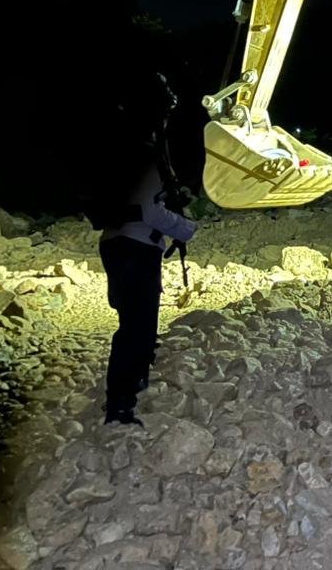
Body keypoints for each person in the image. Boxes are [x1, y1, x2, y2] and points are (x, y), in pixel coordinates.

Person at [94, 73, 197, 427]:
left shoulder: (120, 148)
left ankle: (130, 387)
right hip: (137, 247)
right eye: (165, 112)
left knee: (132, 322)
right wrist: (186, 229)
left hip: (114, 243)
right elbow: (149, 211)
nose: (168, 119)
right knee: (137, 327)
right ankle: (121, 404)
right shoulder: (145, 154)